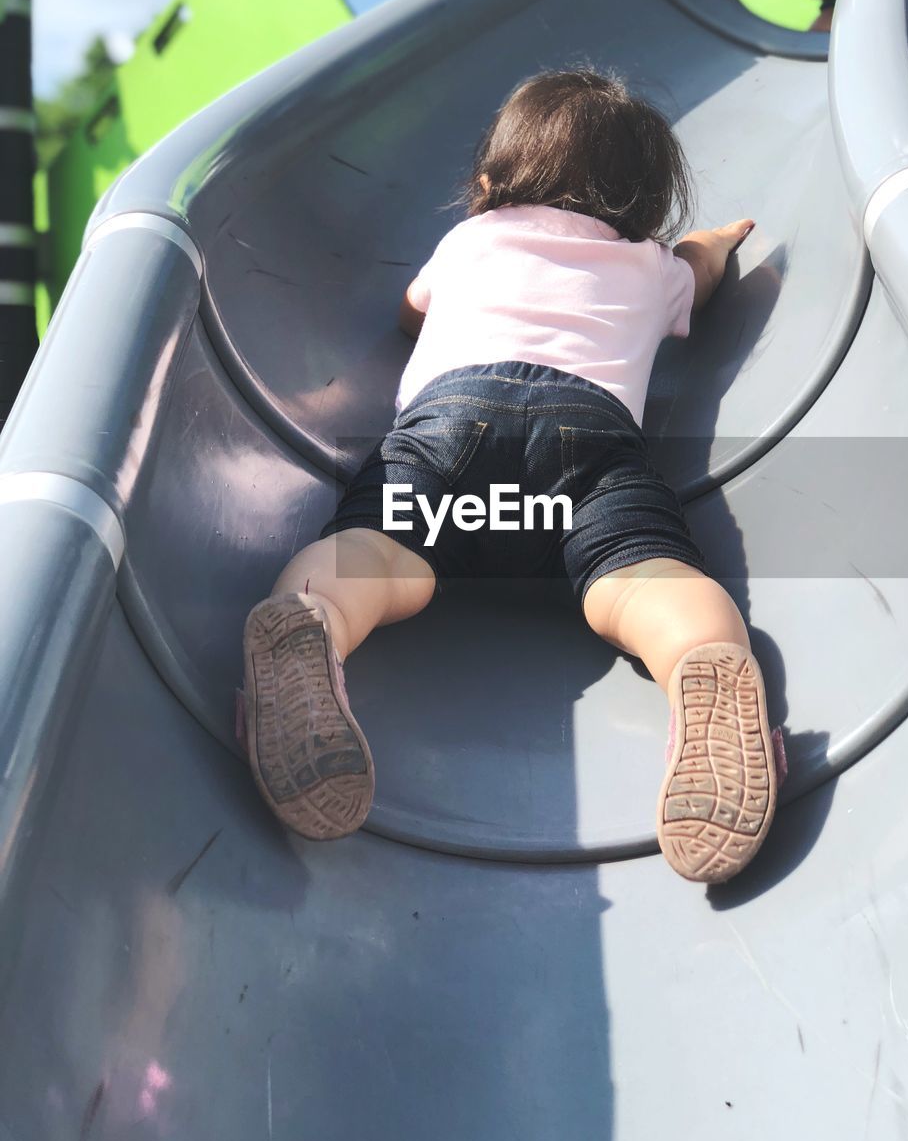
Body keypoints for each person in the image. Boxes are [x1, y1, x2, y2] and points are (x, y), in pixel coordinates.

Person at [239, 69, 787, 885]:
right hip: (591, 438)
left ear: (488, 185)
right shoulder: (649, 265)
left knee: (381, 555)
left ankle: (311, 624)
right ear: (642, 213)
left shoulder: (468, 242)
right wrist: (712, 243)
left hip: (449, 424)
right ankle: (700, 657)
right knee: (639, 579)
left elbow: (408, 311)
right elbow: (700, 277)